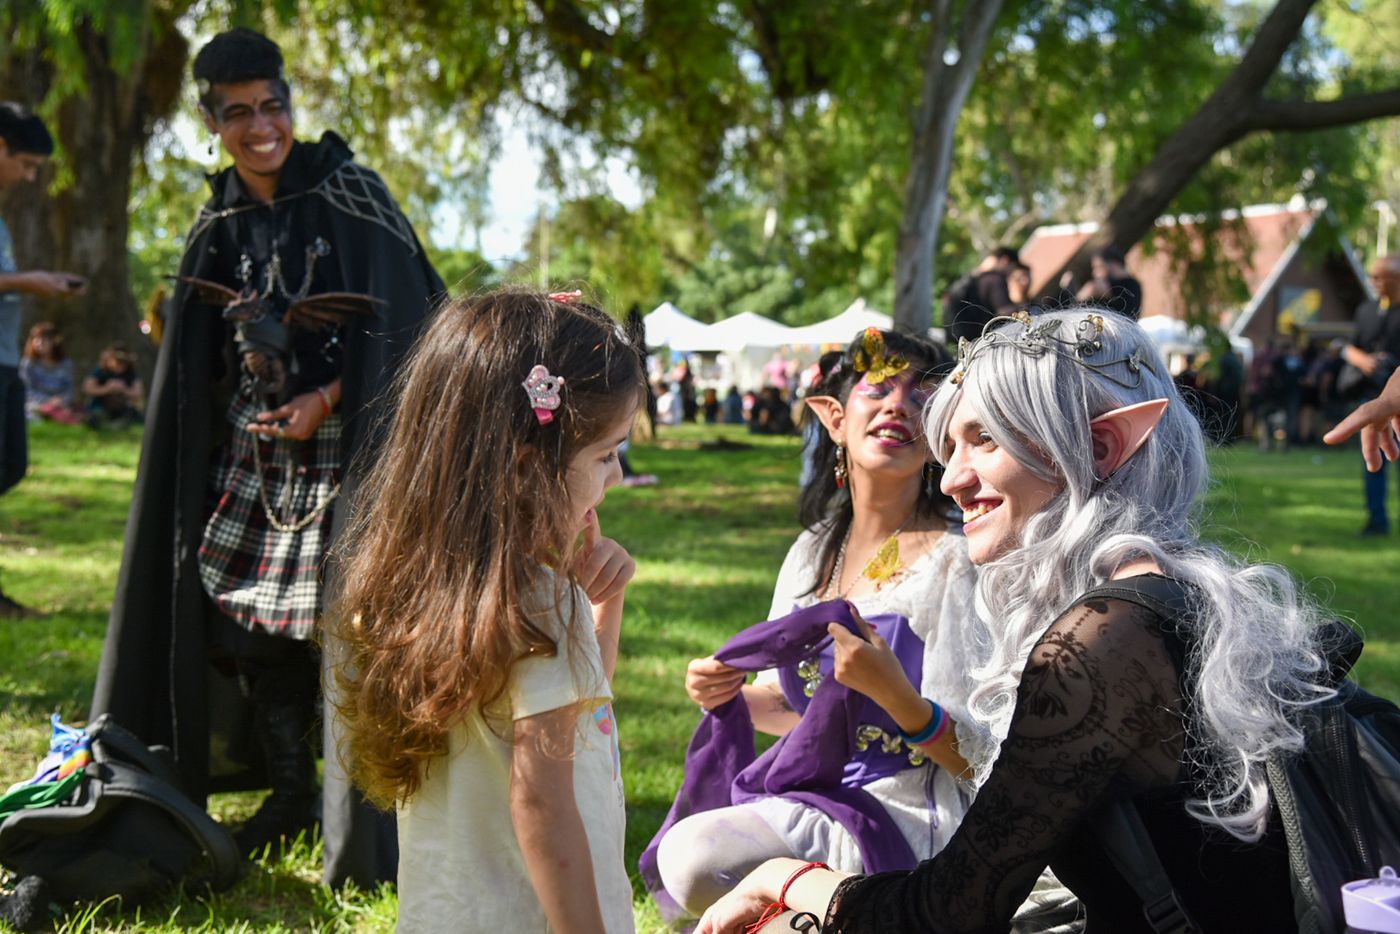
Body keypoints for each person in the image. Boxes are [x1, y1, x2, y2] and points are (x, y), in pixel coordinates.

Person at [699, 308, 1336, 933]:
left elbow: (951, 911)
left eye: (985, 440)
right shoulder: (1181, 588)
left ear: (1100, 447)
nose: (951, 479)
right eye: (948, 446)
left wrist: (784, 879)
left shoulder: (1102, 638)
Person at [88, 27, 445, 888]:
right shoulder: (221, 217)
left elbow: (415, 319)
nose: (261, 128)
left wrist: (324, 397)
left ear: (290, 104)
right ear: (212, 121)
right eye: (239, 114)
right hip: (255, 463)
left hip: (347, 453)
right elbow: (194, 355)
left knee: (344, 626)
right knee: (246, 623)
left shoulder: (352, 192)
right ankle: (290, 789)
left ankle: (354, 820)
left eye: (272, 106)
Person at [647, 328, 993, 922]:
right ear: (833, 417)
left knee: (697, 859)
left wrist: (897, 698)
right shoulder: (812, 554)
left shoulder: (956, 561)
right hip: (820, 795)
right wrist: (729, 694)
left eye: (920, 396)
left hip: (912, 813)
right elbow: (798, 712)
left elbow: (979, 761)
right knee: (691, 857)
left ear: (939, 434)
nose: (898, 405)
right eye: (879, 387)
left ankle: (840, 908)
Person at [329, 289, 645, 933]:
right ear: (529, 467)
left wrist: (603, 605)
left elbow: (588, 711)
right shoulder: (539, 602)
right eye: (607, 454)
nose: (614, 477)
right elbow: (544, 809)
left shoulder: (436, 589)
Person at [0, 102, 86, 617]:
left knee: (11, 464)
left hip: (6, 363)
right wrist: (27, 281)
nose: (30, 177)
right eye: (28, 165)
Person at [1342, 254, 1400, 535]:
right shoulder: (1367, 310)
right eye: (1372, 276)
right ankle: (1377, 521)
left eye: (1379, 277)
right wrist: (1362, 361)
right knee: (1373, 462)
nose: (1373, 282)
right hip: (1371, 398)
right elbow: (1350, 346)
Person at [944, 246, 1019, 344]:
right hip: (983, 340)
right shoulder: (995, 279)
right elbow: (1004, 311)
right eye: (1012, 268)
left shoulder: (972, 278)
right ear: (1006, 261)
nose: (1011, 273)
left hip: (961, 340)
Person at [19, 322, 80, 424]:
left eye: (44, 340)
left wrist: (61, 400)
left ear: (54, 342)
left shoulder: (66, 363)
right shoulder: (28, 363)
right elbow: (27, 390)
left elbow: (70, 389)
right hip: (36, 405)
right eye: (36, 339)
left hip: (61, 404)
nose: (40, 343)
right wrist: (48, 401)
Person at [81, 342, 145, 429]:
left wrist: (123, 389)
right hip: (101, 406)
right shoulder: (100, 371)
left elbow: (139, 393)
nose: (120, 364)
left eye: (123, 361)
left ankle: (118, 423)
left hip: (123, 408)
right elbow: (87, 388)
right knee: (96, 415)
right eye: (117, 360)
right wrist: (107, 388)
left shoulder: (131, 373)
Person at [1075, 245, 1143, 319]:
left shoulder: (1130, 286)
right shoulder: (1110, 287)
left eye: (1099, 266)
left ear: (1114, 264)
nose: (1094, 273)